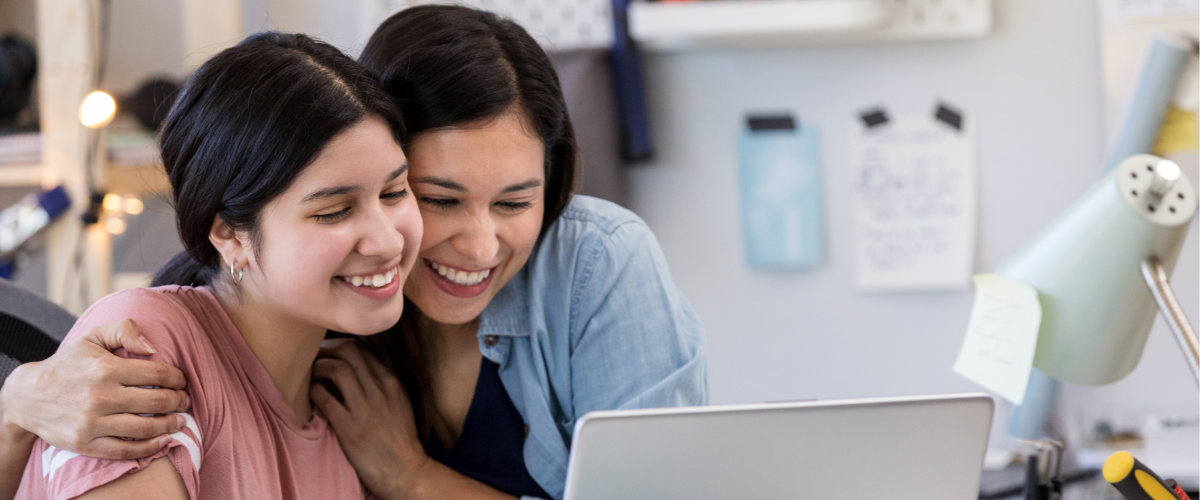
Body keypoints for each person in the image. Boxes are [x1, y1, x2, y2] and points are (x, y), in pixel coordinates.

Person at [0, 6, 706, 500]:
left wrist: (412, 480)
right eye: (437, 196)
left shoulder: (590, 265)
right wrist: (19, 402)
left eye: (516, 202)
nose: (484, 243)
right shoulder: (186, 345)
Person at [3, 31, 423, 499]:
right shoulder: (145, 347)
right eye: (333, 211)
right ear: (228, 233)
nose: (388, 240)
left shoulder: (354, 415)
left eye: (394, 192)